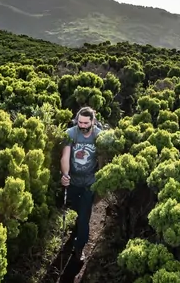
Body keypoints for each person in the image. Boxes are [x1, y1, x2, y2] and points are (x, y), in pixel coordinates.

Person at [60, 106, 102, 261]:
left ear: (93, 121)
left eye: (86, 123)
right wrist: (65, 175)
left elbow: (103, 160)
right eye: (80, 122)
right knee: (77, 210)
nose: (82, 125)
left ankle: (79, 247)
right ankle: (76, 225)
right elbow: (65, 156)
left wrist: (101, 183)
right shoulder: (71, 133)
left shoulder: (99, 136)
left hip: (89, 182)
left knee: (85, 217)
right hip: (73, 181)